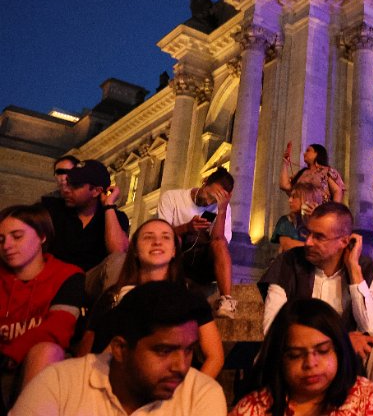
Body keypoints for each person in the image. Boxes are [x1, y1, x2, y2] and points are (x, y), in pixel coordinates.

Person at [258, 202, 373, 416]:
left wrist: (354, 271)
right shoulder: (288, 264)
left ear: (344, 242)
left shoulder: (365, 268)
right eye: (307, 233)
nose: (308, 242)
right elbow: (272, 329)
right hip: (299, 354)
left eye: (319, 237)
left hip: (349, 362)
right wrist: (343, 341)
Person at [11, 281, 227, 415]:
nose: (181, 366)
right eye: (164, 351)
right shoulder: (60, 384)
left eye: (189, 350)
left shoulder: (202, 394)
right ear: (120, 349)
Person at [77, 219, 224, 378]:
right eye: (148, 237)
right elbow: (86, 354)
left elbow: (215, 357)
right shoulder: (113, 296)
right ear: (134, 249)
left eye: (166, 237)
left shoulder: (190, 295)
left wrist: (190, 394)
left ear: (174, 250)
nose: (157, 242)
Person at [230, 298, 373, 416]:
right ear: (280, 358)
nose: (310, 363)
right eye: (296, 355)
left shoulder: (362, 396)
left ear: (339, 351)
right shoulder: (252, 409)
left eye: (322, 351)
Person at [0, 204, 84, 388]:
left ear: (42, 236)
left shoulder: (67, 275)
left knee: (47, 350)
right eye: (1, 239)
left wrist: (12, 353)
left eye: (17, 236)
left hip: (39, 362)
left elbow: (58, 329)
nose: (6, 246)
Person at [43, 159, 129, 301]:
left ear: (96, 191)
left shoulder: (114, 217)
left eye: (75, 185)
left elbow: (118, 252)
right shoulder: (52, 210)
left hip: (88, 282)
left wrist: (108, 206)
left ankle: (108, 316)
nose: (66, 189)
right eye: (68, 182)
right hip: (54, 280)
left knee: (119, 260)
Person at [158, 166, 237, 319]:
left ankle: (226, 300)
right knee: (176, 239)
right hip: (178, 257)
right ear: (205, 182)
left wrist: (221, 211)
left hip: (203, 263)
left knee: (219, 242)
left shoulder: (222, 208)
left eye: (214, 200)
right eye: (209, 194)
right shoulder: (172, 198)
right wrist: (187, 227)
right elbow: (160, 234)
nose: (208, 202)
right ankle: (168, 289)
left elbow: (221, 242)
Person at [279, 142, 345, 203]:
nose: (304, 154)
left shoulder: (327, 171)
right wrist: (285, 163)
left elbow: (337, 191)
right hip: (301, 212)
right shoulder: (302, 173)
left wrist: (332, 212)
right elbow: (285, 186)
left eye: (308, 150)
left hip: (320, 212)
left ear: (317, 154)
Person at [270, 181, 322, 253]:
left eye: (295, 197)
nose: (290, 200)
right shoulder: (286, 221)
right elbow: (287, 245)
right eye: (290, 196)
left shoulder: (321, 223)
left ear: (307, 199)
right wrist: (315, 248)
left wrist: (316, 219)